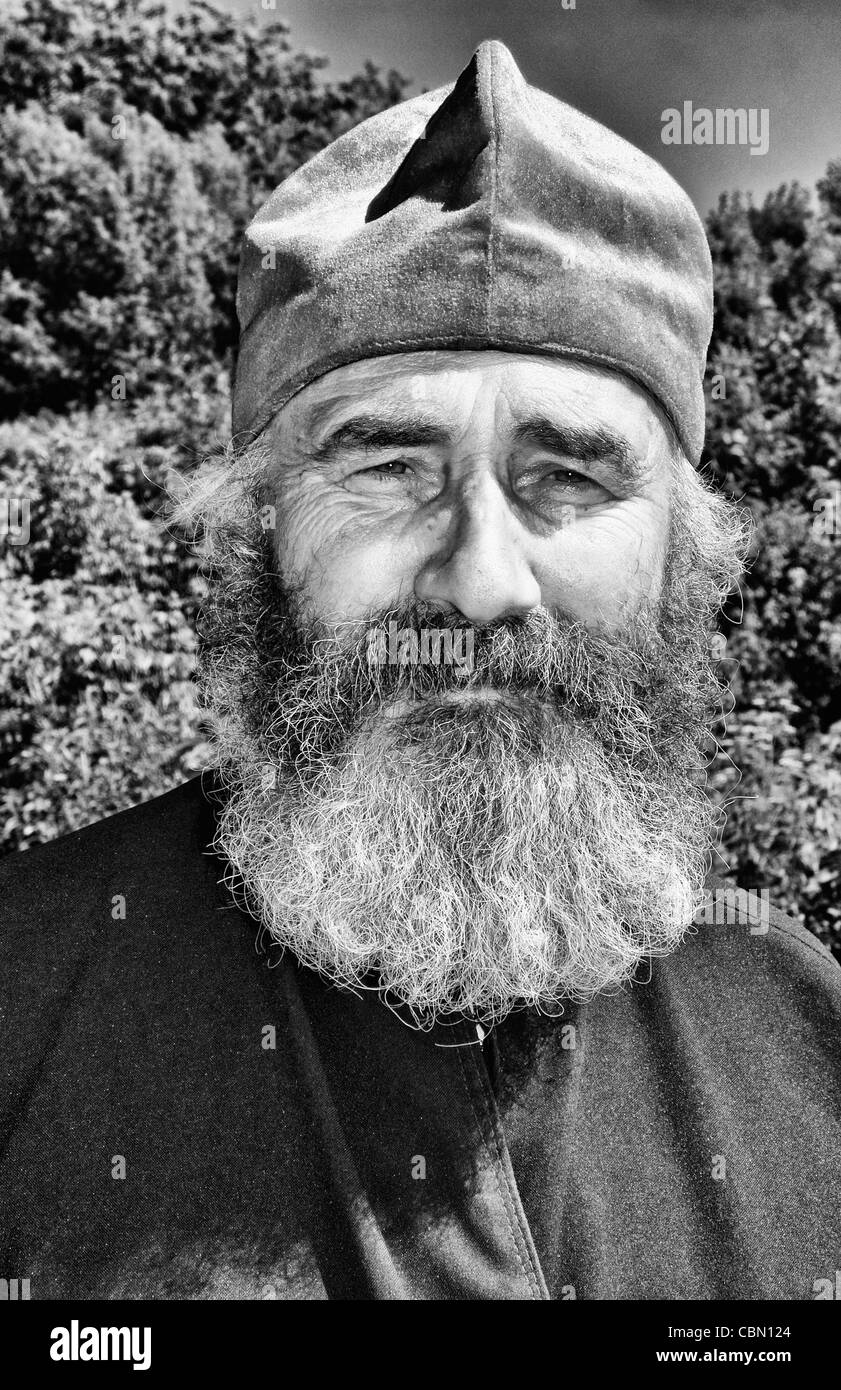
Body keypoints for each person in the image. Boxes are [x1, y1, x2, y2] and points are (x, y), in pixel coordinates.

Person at [1, 39, 839, 1301]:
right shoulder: (22, 1004)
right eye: (390, 468)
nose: (483, 579)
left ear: (686, 558)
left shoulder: (803, 1036)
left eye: (570, 477)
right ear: (258, 530)